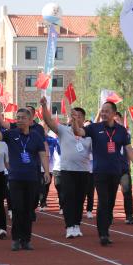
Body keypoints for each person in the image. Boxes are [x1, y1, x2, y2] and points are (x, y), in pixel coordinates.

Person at [0, 108, 49, 250]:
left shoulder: (36, 136)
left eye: (22, 118)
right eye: (17, 117)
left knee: (28, 210)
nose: (19, 120)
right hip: (15, 178)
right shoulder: (11, 134)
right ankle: (16, 239)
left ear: (30, 120)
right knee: (17, 208)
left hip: (32, 178)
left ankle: (26, 239)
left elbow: (42, 154)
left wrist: (46, 171)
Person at [81, 101, 133, 246]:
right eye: (102, 111)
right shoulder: (94, 128)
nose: (103, 113)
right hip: (100, 172)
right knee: (103, 201)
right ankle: (103, 233)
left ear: (113, 113)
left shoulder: (122, 130)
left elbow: (128, 147)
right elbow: (79, 132)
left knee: (110, 203)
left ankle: (106, 226)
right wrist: (74, 123)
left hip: (115, 171)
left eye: (106, 111)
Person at [40, 100, 91, 239]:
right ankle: (69, 226)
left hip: (84, 171)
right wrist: (44, 106)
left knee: (80, 200)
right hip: (67, 171)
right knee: (68, 199)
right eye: (73, 115)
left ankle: (76, 225)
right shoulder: (63, 130)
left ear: (83, 118)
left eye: (79, 116)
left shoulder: (89, 134)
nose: (76, 118)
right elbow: (48, 120)